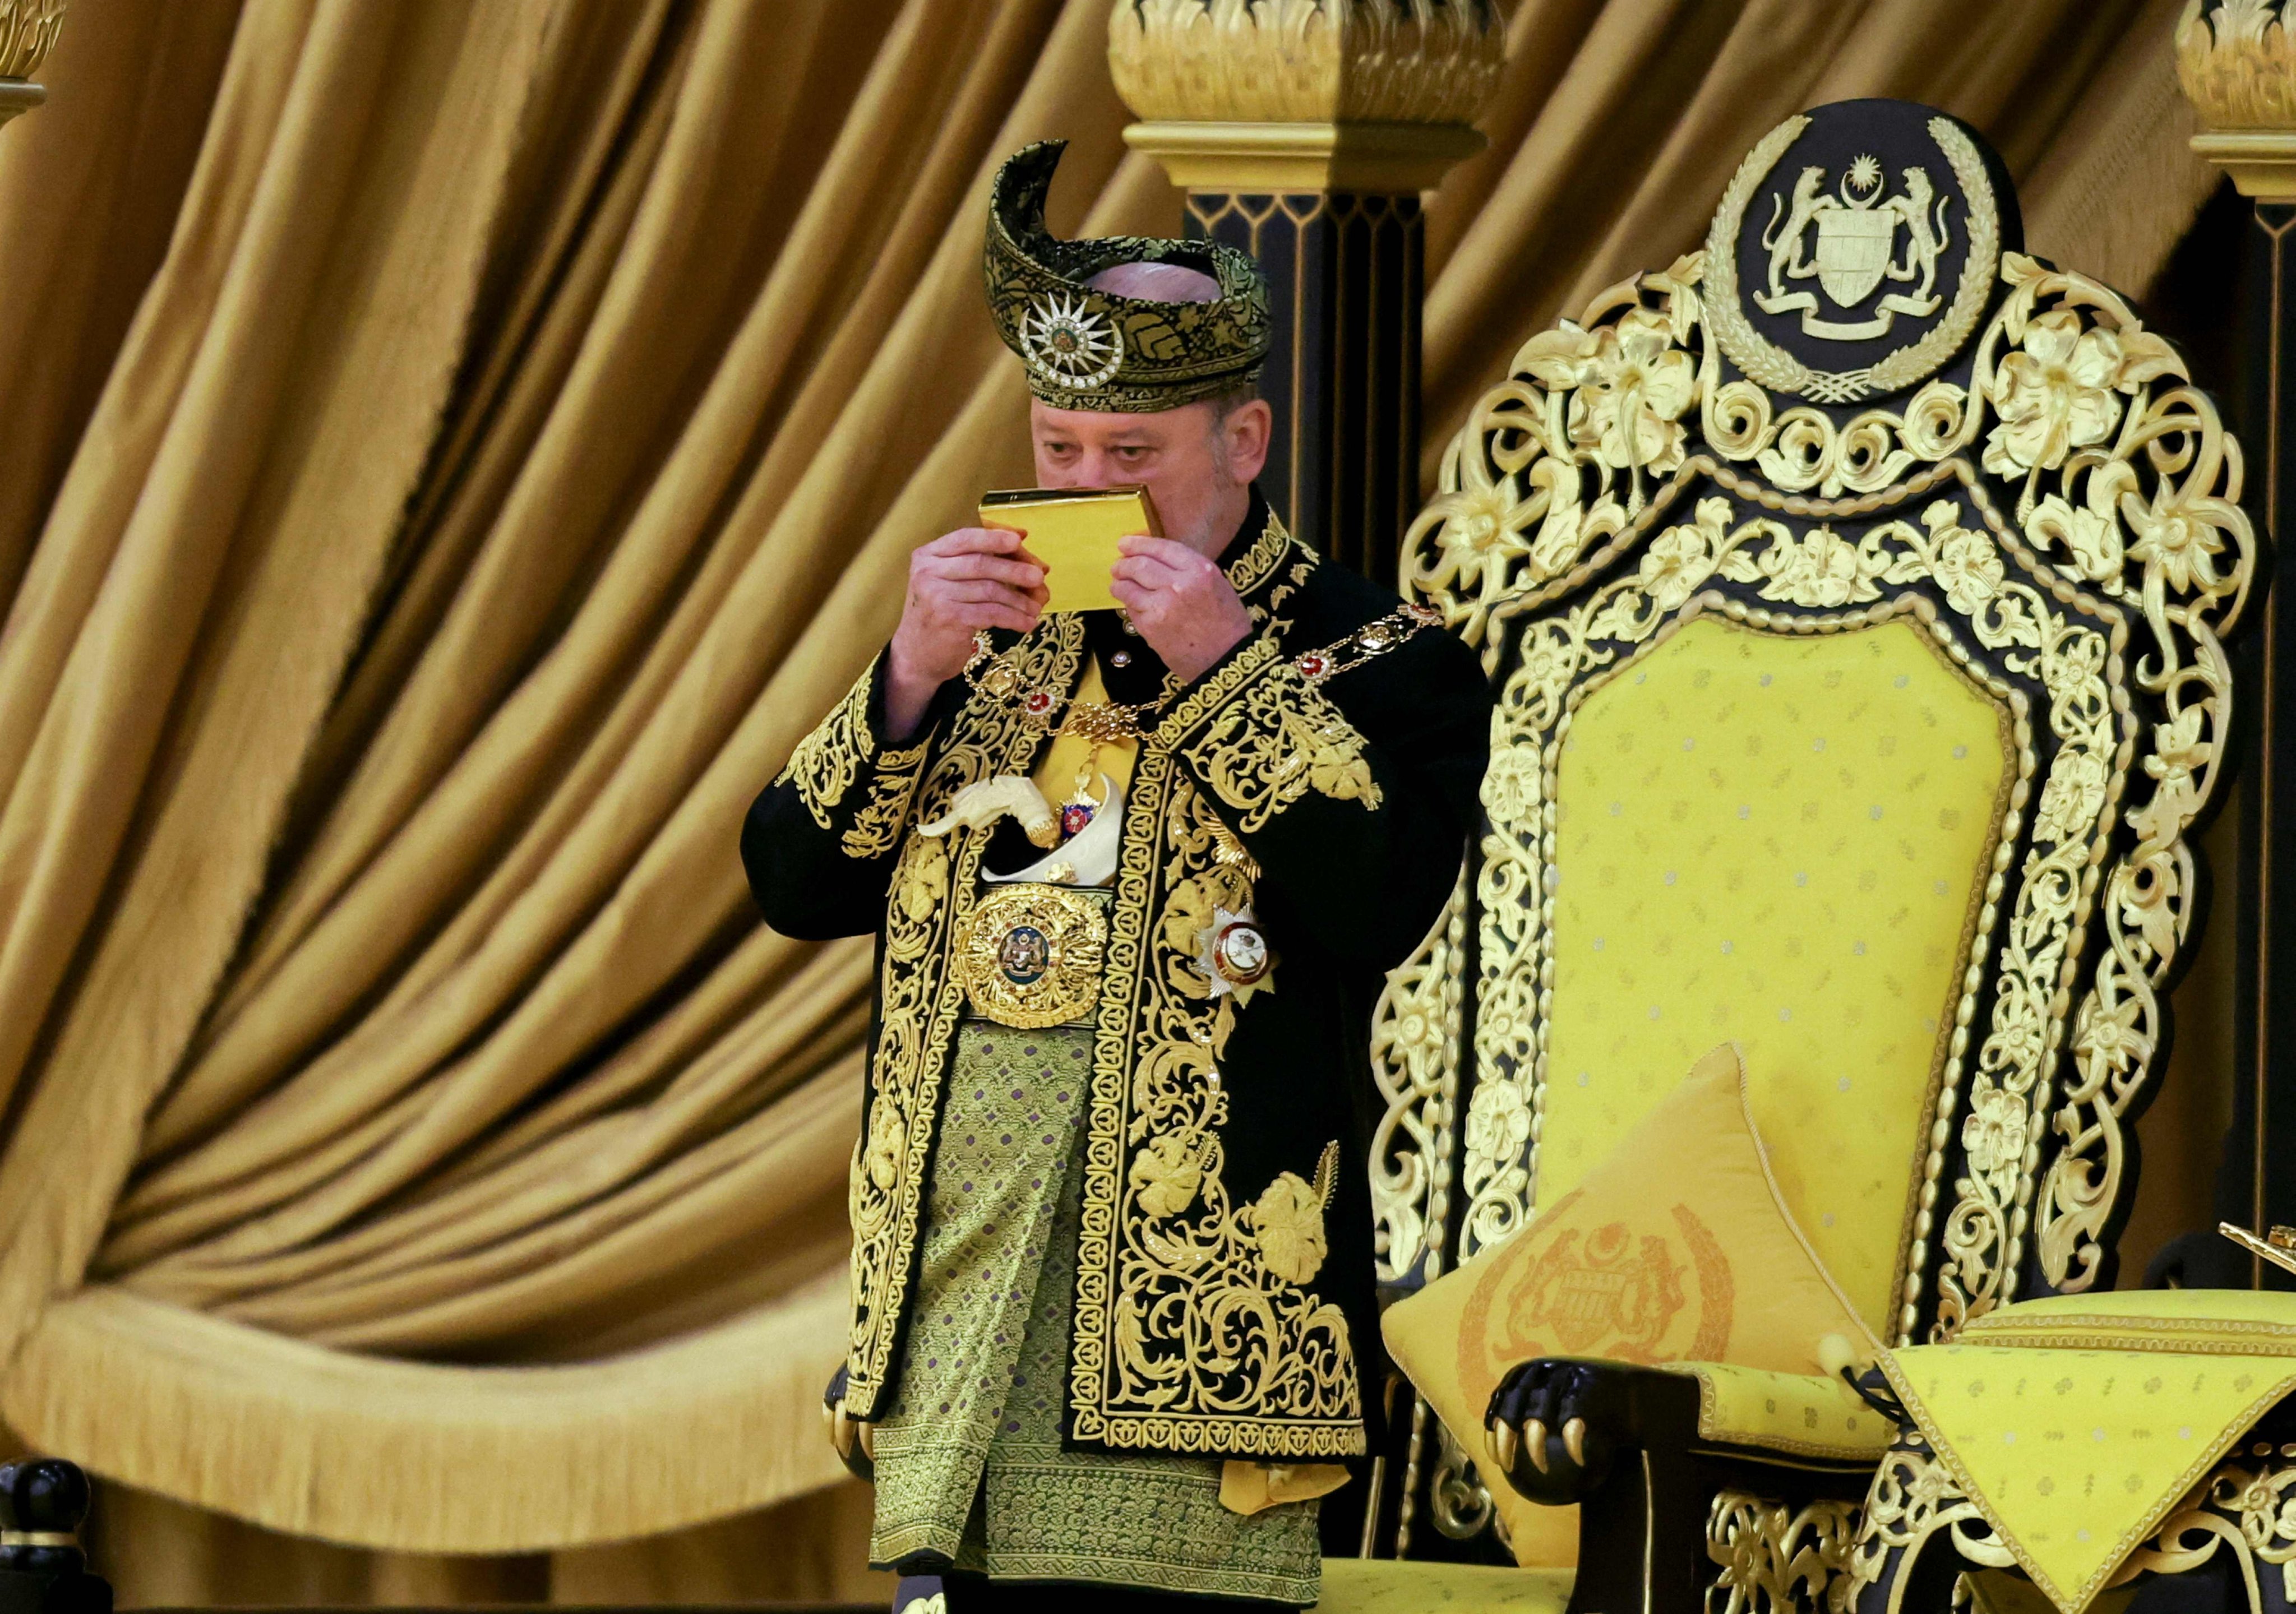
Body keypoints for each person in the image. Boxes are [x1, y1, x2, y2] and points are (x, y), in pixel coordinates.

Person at [742, 140, 1492, 1613]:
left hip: (1200, 1328)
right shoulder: (985, 647)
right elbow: (794, 881)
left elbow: (1373, 905)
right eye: (1061, 452)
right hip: (958, 1304)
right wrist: (903, 677)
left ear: (1247, 442)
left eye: (1131, 459)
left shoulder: (1388, 663)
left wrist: (1228, 678)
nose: (1089, 492)